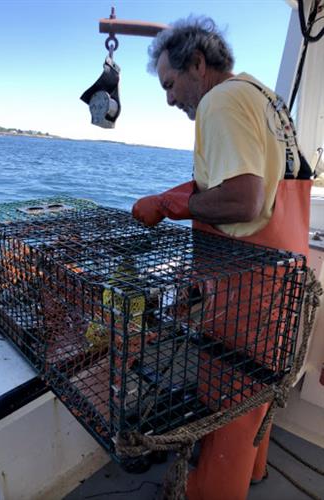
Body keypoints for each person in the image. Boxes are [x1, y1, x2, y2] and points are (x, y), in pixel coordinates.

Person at [132, 17, 311, 500]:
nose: (169, 99)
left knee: (228, 394)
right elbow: (269, 180)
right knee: (258, 390)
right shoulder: (262, 96)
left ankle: (212, 490)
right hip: (283, 273)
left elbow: (245, 200)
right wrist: (182, 193)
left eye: (170, 84)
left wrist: (173, 206)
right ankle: (252, 472)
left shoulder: (220, 100)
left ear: (197, 64)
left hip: (247, 281)